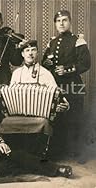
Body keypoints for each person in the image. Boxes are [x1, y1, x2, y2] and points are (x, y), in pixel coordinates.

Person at [0, 40, 69, 157]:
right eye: (27, 50)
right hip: (18, 113)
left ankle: (37, 156)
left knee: (43, 123)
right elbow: (9, 94)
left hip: (40, 115)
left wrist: (65, 105)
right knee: (5, 122)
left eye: (33, 50)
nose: (30, 53)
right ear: (22, 54)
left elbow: (57, 94)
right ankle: (15, 155)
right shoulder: (16, 73)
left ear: (37, 53)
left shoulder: (45, 73)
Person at [42, 10, 91, 159]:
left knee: (74, 118)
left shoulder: (78, 41)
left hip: (73, 85)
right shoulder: (52, 42)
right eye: (58, 21)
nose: (61, 23)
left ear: (70, 22)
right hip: (55, 86)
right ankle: (59, 151)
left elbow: (85, 63)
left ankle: (77, 152)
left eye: (64, 20)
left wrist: (68, 70)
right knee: (57, 118)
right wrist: (47, 63)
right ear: (55, 24)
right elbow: (44, 64)